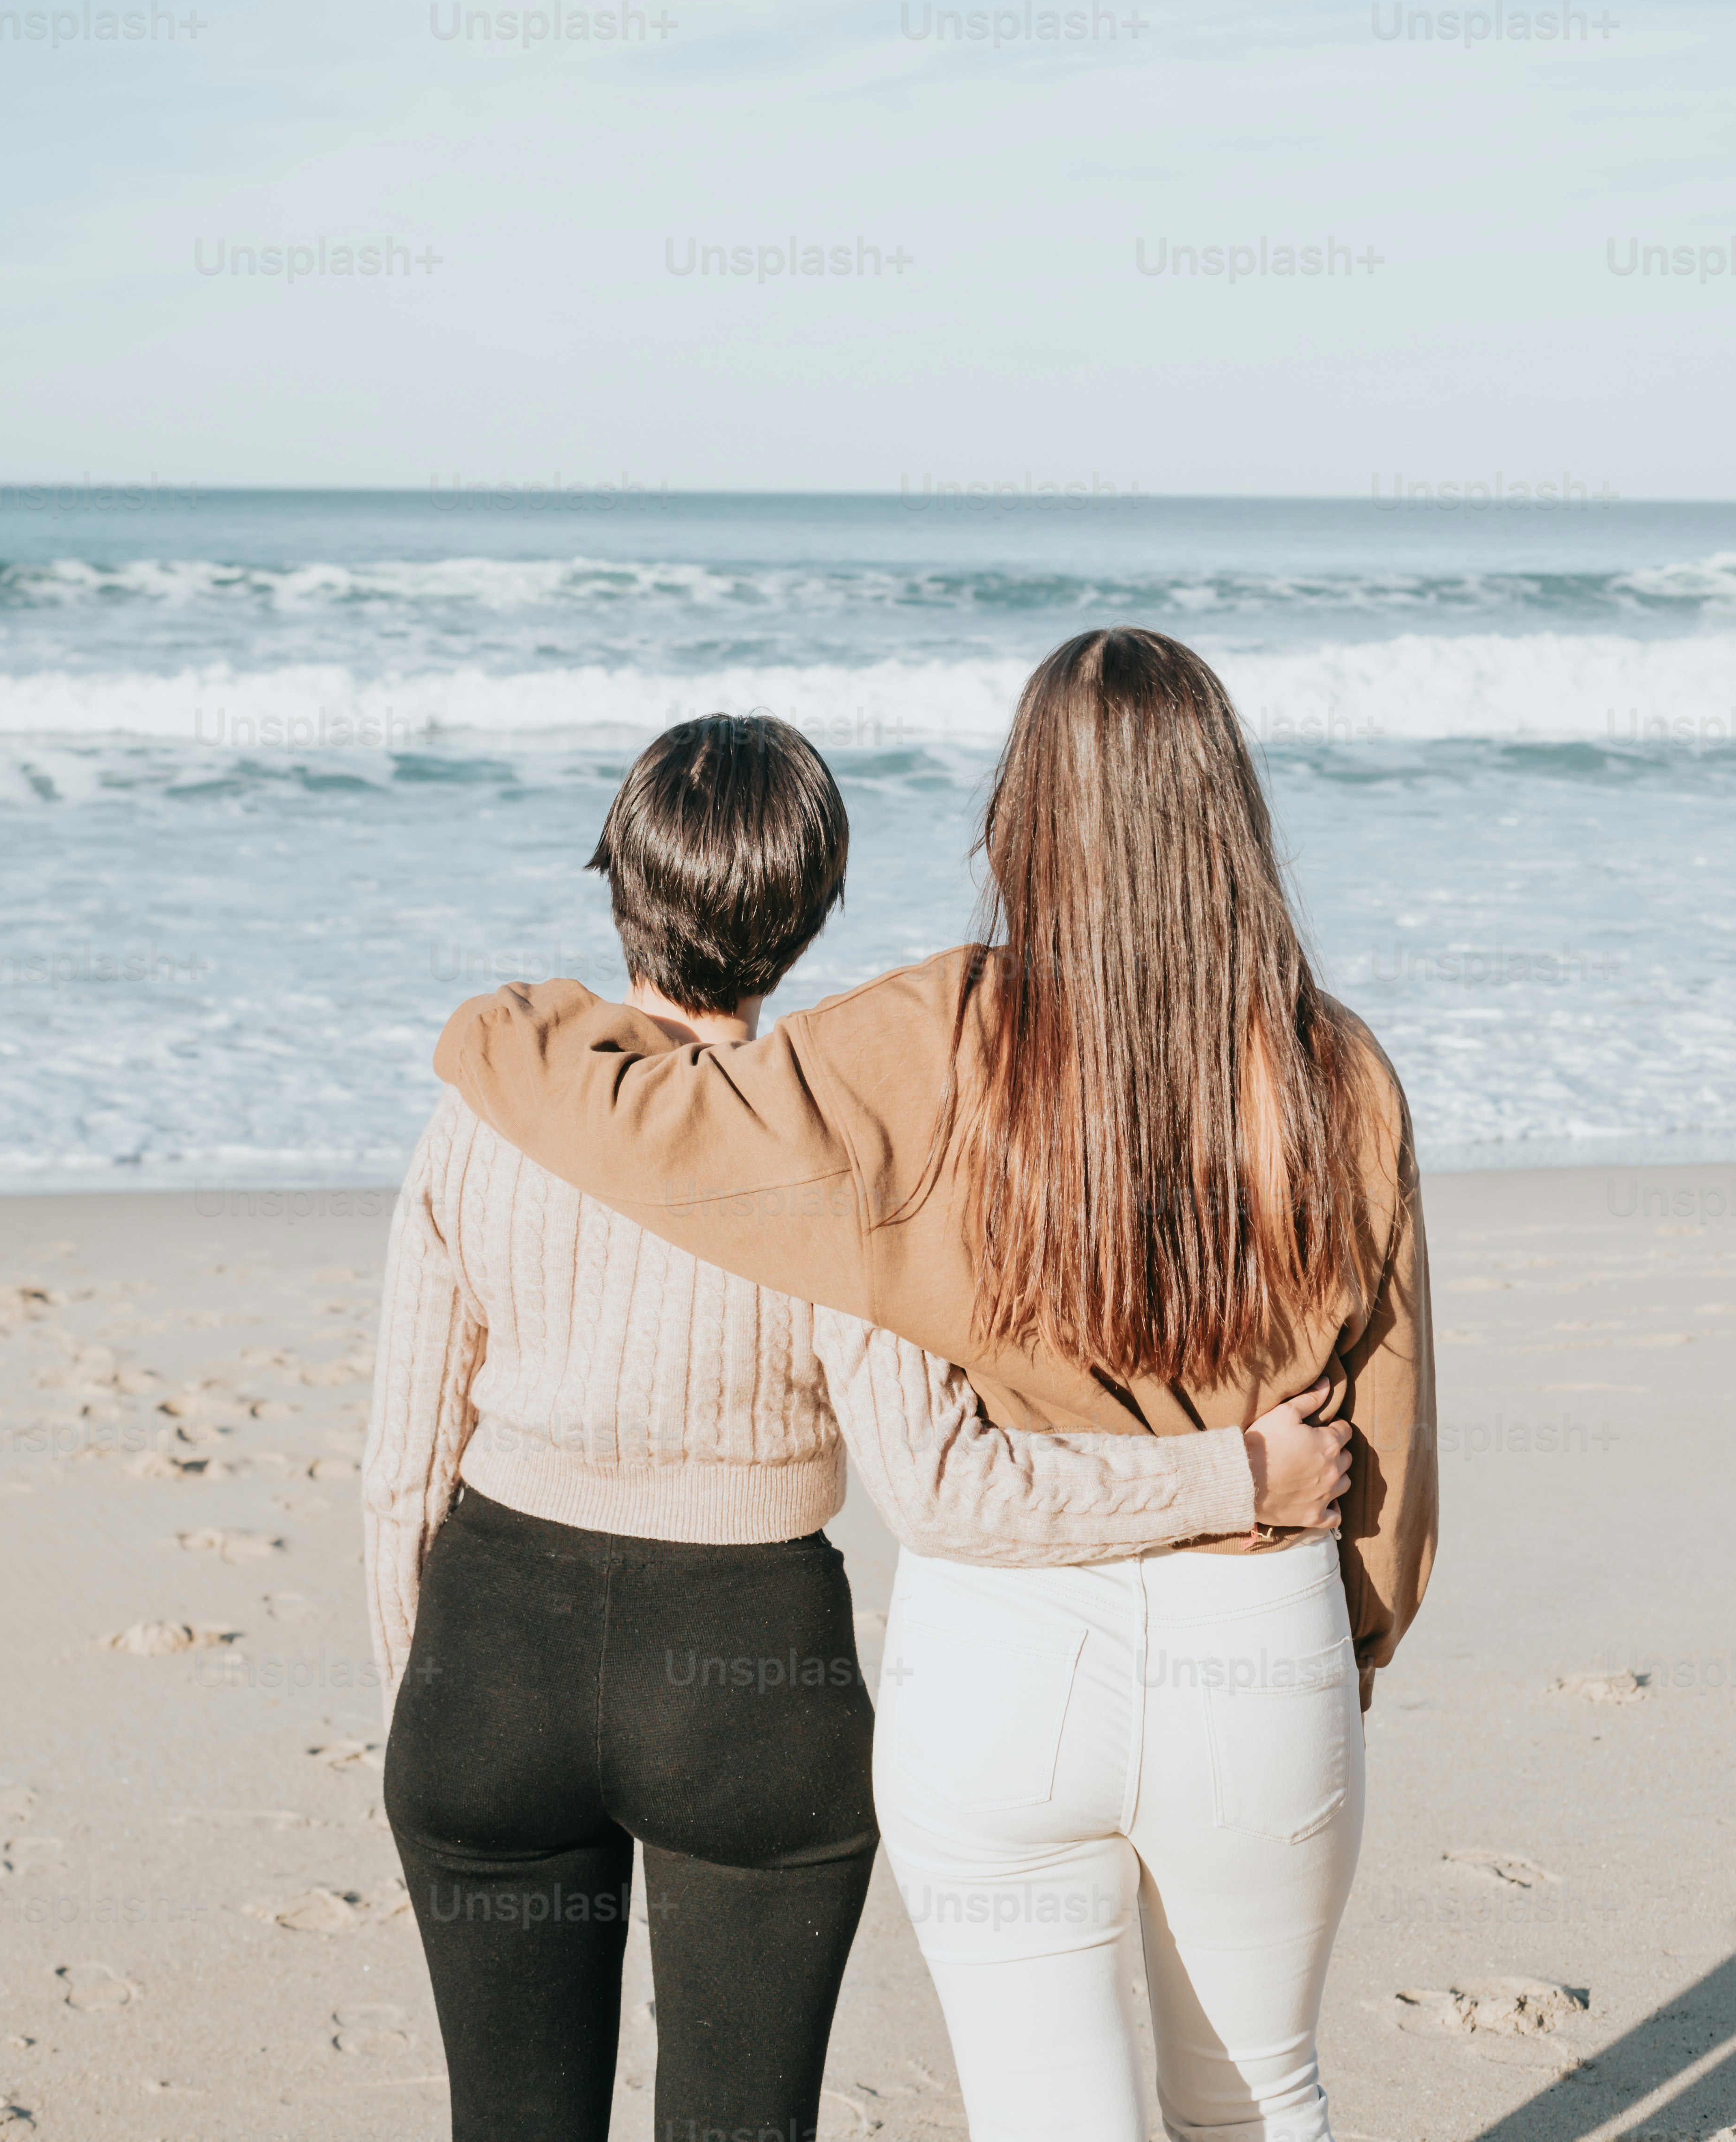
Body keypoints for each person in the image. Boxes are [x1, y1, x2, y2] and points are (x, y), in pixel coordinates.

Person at [435, 632, 1436, 2142]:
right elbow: (1397, 1414)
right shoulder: (1335, 1068)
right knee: (1258, 2103)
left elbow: (673, 1129)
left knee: (1052, 2118)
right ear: (1232, 813)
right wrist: (1347, 1638)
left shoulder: (938, 1033)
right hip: (1261, 1615)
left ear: (1018, 816)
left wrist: (500, 1027)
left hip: (1007, 1648)